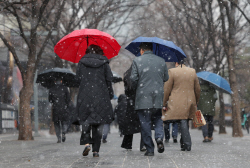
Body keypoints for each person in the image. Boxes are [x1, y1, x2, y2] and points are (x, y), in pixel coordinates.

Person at [130, 42, 169, 156]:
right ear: (151, 49)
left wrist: (138, 88)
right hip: (157, 97)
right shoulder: (161, 61)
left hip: (143, 97)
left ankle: (150, 149)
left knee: (145, 122)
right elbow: (166, 77)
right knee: (158, 119)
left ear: (142, 50)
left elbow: (133, 79)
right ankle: (159, 138)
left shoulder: (137, 61)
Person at [75, 44, 114, 157]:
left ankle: (87, 143)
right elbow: (109, 80)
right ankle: (96, 151)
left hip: (85, 96)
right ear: (100, 52)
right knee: (98, 124)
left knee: (86, 121)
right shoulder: (104, 63)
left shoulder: (82, 63)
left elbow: (77, 80)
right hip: (101, 97)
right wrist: (110, 95)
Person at [162, 59, 200, 151]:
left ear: (176, 63)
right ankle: (183, 143)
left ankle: (187, 144)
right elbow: (198, 89)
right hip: (190, 101)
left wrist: (164, 103)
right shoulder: (192, 71)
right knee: (185, 120)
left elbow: (167, 89)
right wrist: (196, 101)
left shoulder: (172, 71)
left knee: (182, 121)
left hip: (176, 102)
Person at [115, 67, 145, 151]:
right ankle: (143, 144)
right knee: (143, 123)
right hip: (141, 100)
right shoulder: (142, 73)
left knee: (130, 123)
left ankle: (127, 144)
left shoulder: (128, 75)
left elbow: (126, 91)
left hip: (131, 102)